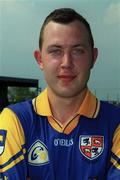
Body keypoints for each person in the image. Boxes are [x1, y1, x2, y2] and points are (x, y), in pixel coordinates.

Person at [0, 8, 120, 180]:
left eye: (78, 50)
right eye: (56, 51)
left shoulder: (116, 124)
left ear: (93, 58)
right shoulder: (14, 120)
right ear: (40, 59)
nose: (66, 63)